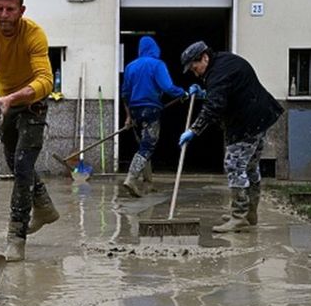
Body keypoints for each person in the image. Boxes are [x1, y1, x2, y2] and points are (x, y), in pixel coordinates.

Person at [0, 0, 59, 261]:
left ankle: (16, 237)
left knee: (22, 165)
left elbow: (45, 80)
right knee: (14, 160)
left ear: (21, 10)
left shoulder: (34, 34)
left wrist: (11, 98)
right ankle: (44, 206)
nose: (4, 15)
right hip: (3, 105)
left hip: (32, 103)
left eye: (10, 9)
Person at [178, 41, 284, 233]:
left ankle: (239, 216)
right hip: (261, 116)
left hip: (247, 122)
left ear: (204, 57)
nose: (196, 73)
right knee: (250, 166)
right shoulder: (224, 61)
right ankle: (250, 213)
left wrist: (193, 130)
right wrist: (204, 93)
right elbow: (223, 94)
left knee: (234, 166)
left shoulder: (218, 73)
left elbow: (214, 107)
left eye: (195, 68)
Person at [121, 36, 188, 197]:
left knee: (143, 145)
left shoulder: (131, 66)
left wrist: (128, 117)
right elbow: (167, 87)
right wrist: (183, 93)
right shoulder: (157, 65)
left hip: (135, 111)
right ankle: (131, 178)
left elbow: (125, 94)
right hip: (151, 109)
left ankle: (148, 183)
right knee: (147, 146)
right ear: (155, 48)